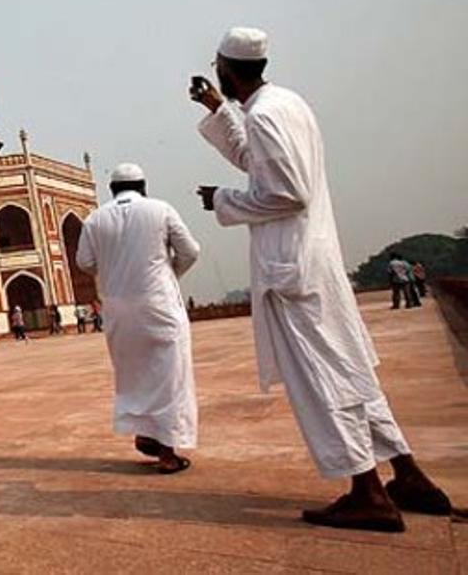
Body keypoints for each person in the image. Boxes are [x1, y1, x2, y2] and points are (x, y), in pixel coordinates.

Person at [192, 26, 452, 531]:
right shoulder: (285, 105)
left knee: (322, 377)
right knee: (350, 370)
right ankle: (407, 471)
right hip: (315, 261)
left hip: (295, 271)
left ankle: (367, 492)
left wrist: (221, 200)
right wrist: (217, 111)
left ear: (225, 68)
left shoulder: (265, 115)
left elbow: (286, 193)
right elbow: (259, 161)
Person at [76, 162, 201, 474]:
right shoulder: (160, 209)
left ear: (112, 190)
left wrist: (114, 272)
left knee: (133, 374)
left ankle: (145, 433)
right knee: (170, 375)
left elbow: (85, 261)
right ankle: (167, 453)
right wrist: (169, 274)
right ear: (143, 186)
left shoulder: (95, 218)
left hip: (117, 308)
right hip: (158, 302)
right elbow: (190, 251)